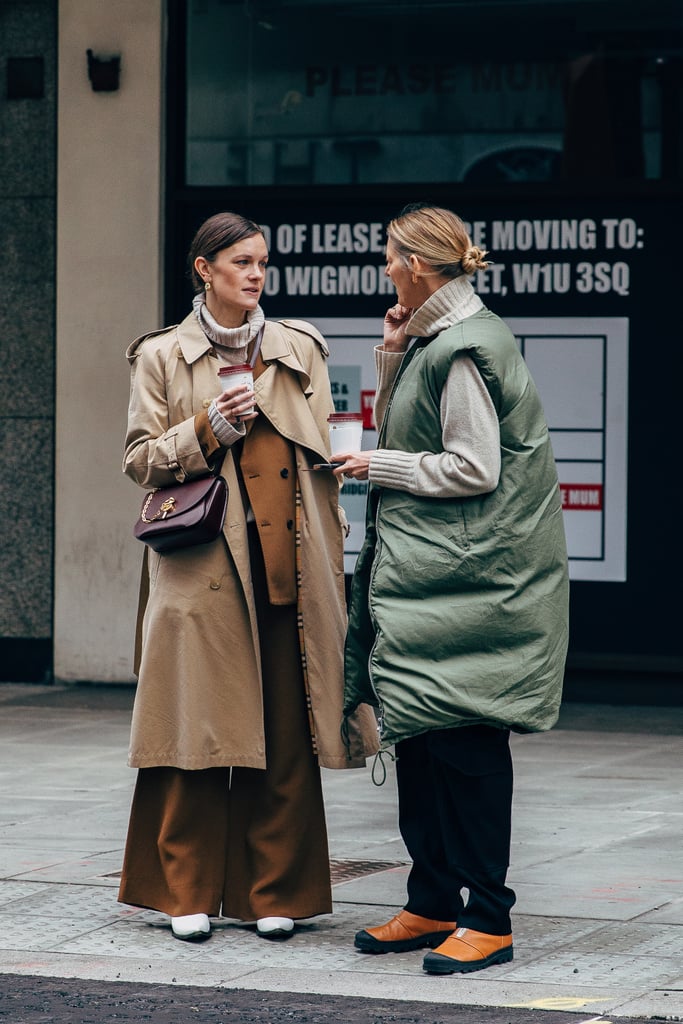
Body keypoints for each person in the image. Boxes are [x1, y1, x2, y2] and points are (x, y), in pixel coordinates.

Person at [118, 211, 378, 942]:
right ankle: (184, 892)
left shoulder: (297, 346)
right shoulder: (162, 355)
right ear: (203, 268)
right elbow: (140, 460)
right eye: (239, 261)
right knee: (195, 735)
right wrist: (209, 428)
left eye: (262, 261)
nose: (256, 273)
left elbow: (327, 446)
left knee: (287, 738)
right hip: (200, 570)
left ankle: (277, 895)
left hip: (291, 569)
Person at [335, 204, 569, 974]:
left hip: (473, 588)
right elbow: (418, 423)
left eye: (389, 256)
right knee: (423, 743)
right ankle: (432, 899)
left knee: (465, 747)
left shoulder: (466, 347)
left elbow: (474, 466)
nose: (383, 267)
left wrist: (379, 467)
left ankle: (489, 917)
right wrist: (393, 350)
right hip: (438, 581)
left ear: (414, 264)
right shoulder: (438, 339)